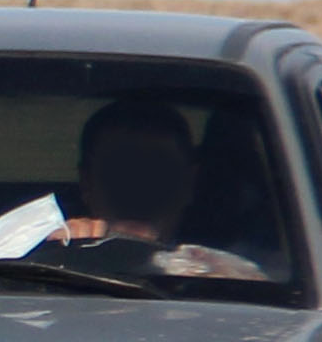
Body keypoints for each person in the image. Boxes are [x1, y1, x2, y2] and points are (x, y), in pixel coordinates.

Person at [54, 99, 268, 280]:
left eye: (158, 173)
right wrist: (56, 254)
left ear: (188, 183)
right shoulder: (50, 257)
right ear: (87, 183)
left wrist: (219, 284)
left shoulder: (231, 270)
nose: (137, 190)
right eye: (118, 174)